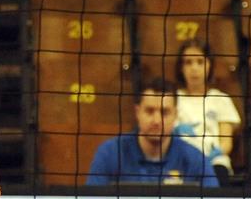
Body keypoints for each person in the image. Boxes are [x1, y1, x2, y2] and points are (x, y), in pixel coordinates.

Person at [86, 78, 219, 187]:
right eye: (149, 111)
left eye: (164, 112)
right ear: (137, 112)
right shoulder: (110, 153)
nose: (156, 121)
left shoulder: (196, 160)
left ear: (176, 115)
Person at [171, 40, 240, 185]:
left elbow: (226, 142)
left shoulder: (221, 99)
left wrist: (208, 157)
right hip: (180, 162)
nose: (194, 68)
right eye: (188, 62)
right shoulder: (172, 99)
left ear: (209, 65)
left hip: (214, 162)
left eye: (200, 62)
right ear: (180, 68)